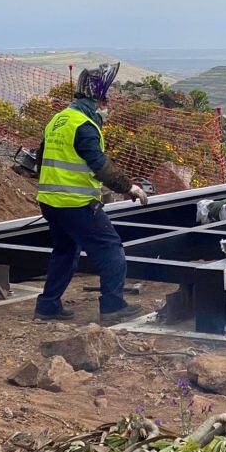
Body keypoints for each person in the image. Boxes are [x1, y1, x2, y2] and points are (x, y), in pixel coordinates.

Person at [33, 63, 149, 325]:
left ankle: (48, 306)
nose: (106, 106)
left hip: (50, 202)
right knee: (111, 250)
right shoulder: (84, 125)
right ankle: (112, 307)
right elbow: (99, 165)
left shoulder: (59, 119)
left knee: (64, 251)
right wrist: (128, 187)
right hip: (75, 203)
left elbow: (41, 158)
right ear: (97, 100)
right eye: (105, 100)